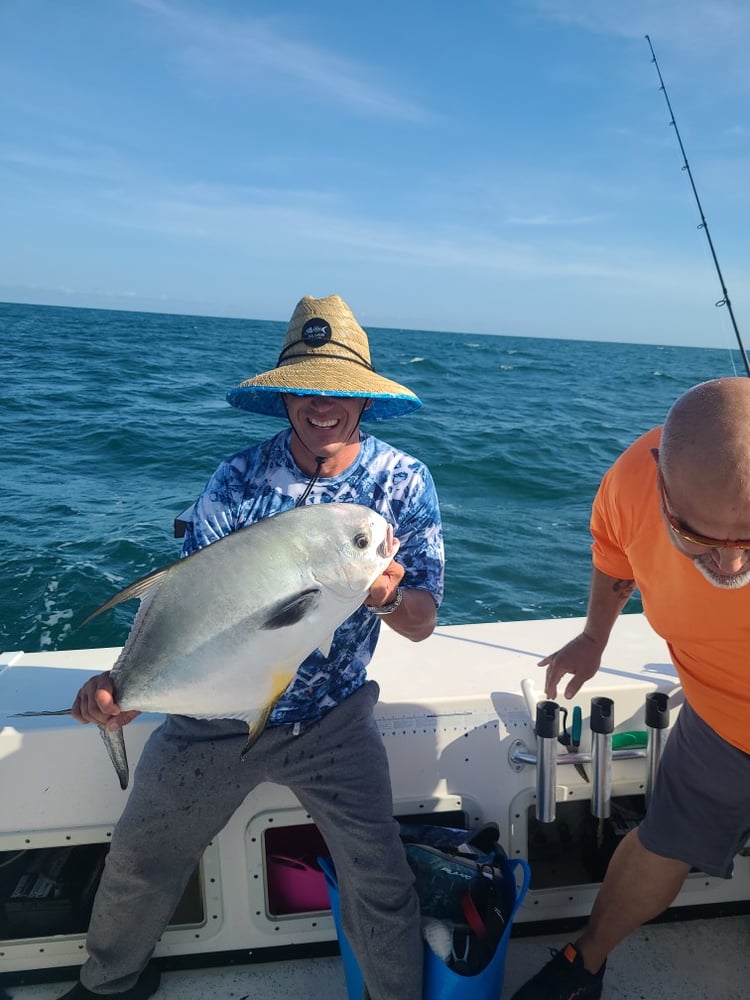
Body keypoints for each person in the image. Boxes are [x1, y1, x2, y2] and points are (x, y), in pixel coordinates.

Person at [60, 294, 444, 1000]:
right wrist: (124, 684)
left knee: (379, 876)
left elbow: (420, 619)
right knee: (142, 854)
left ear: (363, 399)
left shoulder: (403, 484)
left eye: (339, 390)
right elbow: (188, 598)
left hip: (332, 717)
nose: (321, 404)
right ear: (286, 395)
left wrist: (384, 592)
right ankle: (105, 984)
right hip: (213, 720)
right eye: (306, 387)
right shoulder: (237, 479)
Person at [511, 376, 750, 999]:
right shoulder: (631, 482)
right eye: (699, 538)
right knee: (663, 840)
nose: (729, 567)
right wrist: (594, 638)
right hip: (719, 718)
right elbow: (615, 556)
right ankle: (585, 958)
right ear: (659, 482)